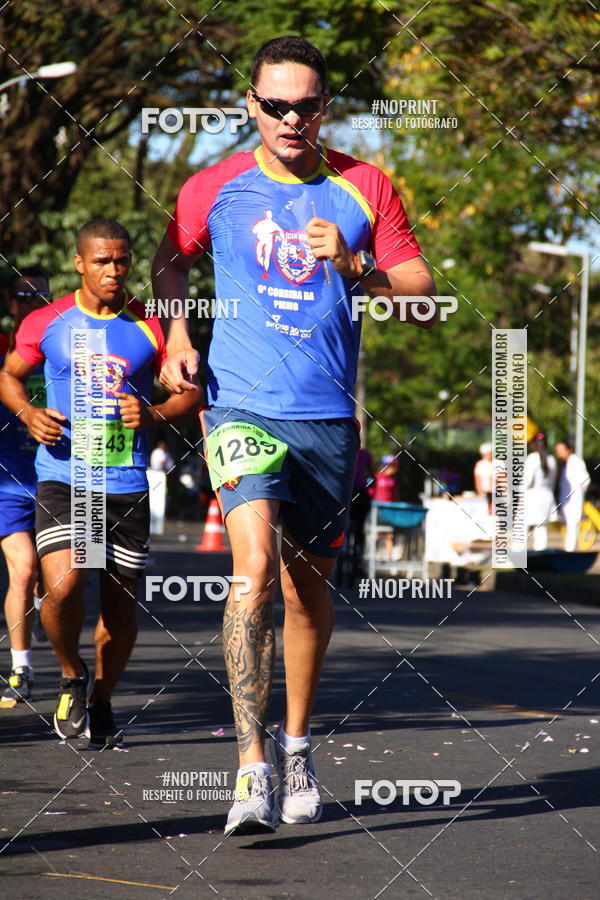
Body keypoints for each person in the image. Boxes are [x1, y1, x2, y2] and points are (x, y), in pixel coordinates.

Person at [152, 35, 437, 835]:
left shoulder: (365, 185)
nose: (289, 118)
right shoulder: (214, 185)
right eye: (273, 104)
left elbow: (419, 290)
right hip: (239, 404)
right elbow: (170, 263)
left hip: (325, 418)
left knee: (310, 590)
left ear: (324, 108)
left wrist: (356, 267)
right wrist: (177, 338)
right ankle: (250, 770)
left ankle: (299, 746)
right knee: (253, 572)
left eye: (305, 105)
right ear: (251, 105)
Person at [0, 219, 200, 746]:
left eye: (122, 261)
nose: (114, 271)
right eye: (103, 262)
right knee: (64, 586)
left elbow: (189, 395)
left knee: (119, 607)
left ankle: (103, 697)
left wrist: (154, 412)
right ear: (80, 263)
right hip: (66, 477)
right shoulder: (48, 320)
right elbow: (10, 374)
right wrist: (26, 413)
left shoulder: (151, 327)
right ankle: (71, 672)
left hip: (125, 482)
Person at [0, 267, 50, 706]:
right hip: (9, 482)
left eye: (44, 296)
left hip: (62, 480)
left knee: (60, 581)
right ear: (11, 304)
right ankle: (21, 666)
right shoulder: (3, 354)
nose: (36, 303)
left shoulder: (63, 349)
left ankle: (49, 611)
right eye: (25, 295)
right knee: (24, 569)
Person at [555, 440, 591, 552]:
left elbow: (585, 480)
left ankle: (570, 551)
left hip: (574, 499)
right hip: (565, 500)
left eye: (562, 450)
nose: (560, 453)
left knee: (572, 525)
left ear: (569, 450)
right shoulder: (563, 464)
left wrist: (578, 491)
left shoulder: (575, 461)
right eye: (558, 451)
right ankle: (568, 549)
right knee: (569, 526)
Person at [525, 432, 557, 551]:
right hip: (547, 495)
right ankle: (540, 550)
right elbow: (553, 481)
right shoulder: (552, 459)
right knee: (541, 526)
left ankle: (518, 552)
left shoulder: (532, 458)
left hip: (533, 495)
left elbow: (526, 481)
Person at [474, 442, 493, 508]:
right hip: (485, 492)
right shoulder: (480, 464)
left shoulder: (497, 463)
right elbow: (478, 479)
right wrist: (480, 492)